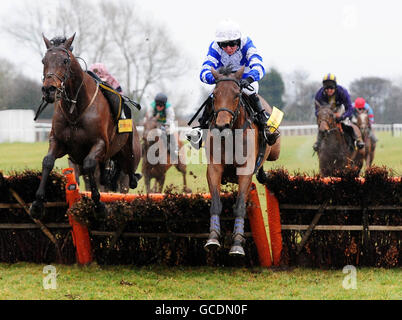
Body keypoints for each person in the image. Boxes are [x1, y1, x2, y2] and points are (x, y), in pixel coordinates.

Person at [187, 19, 279, 147]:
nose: (228, 48)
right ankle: (202, 129)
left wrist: (250, 78)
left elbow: (258, 65)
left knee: (250, 91)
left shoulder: (247, 43)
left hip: (245, 79)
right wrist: (215, 79)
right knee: (213, 95)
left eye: (232, 44)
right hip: (224, 81)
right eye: (223, 45)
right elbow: (205, 69)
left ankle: (264, 124)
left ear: (239, 40)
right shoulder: (214, 47)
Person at [313, 73, 365, 151]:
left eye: (331, 88)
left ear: (335, 87)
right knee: (323, 125)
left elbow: (350, 108)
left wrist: (342, 117)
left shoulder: (342, 91)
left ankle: (358, 140)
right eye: (327, 88)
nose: (329, 90)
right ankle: (318, 142)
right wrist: (322, 117)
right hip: (326, 112)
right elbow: (317, 111)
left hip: (340, 109)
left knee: (346, 123)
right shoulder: (319, 95)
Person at [146, 93, 179, 158]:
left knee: (170, 130)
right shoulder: (152, 106)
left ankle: (174, 147)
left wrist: (164, 126)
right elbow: (149, 117)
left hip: (166, 123)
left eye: (160, 106)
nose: (158, 107)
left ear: (164, 105)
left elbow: (170, 119)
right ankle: (145, 146)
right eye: (157, 105)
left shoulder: (169, 108)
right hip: (155, 122)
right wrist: (153, 124)